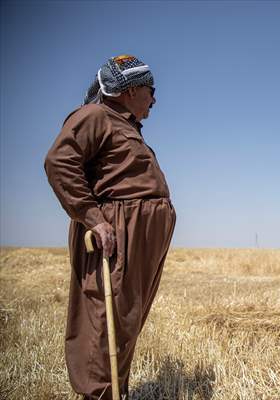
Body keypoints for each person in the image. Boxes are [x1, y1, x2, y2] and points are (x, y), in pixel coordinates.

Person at [44, 54, 176, 399]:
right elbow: (60, 162)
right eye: (150, 89)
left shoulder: (124, 124)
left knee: (126, 320)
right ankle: (98, 394)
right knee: (105, 319)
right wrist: (93, 218)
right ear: (129, 90)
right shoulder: (94, 116)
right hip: (116, 232)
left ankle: (115, 392)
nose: (154, 99)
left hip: (140, 234)